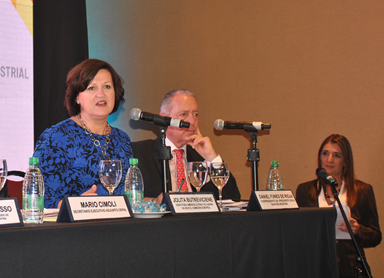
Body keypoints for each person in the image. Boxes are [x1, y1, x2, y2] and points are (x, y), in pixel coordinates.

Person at [34, 59, 133, 209]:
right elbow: (37, 198)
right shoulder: (55, 137)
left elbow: (129, 195)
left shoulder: (122, 140)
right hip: (74, 229)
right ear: (77, 97)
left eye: (107, 86)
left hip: (120, 226)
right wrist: (78, 206)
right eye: (92, 88)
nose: (101, 94)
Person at [296, 134, 381, 278]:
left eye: (336, 155)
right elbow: (297, 232)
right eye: (325, 154)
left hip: (350, 268)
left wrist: (358, 230)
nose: (329, 160)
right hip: (316, 267)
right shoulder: (305, 190)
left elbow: (375, 236)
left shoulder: (362, 190)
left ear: (345, 161)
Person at [132, 89, 241, 201]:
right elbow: (128, 200)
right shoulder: (138, 153)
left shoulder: (200, 156)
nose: (192, 121)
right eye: (183, 114)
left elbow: (232, 197)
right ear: (163, 119)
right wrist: (155, 202)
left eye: (196, 114)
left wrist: (212, 158)